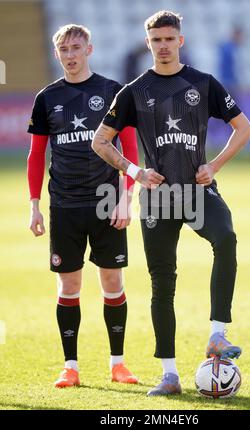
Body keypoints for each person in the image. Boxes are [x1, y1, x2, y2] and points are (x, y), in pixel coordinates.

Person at [91, 11, 250, 396]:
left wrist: (213, 165)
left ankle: (217, 335)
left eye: (169, 39)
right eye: (155, 40)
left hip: (197, 191)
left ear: (180, 41)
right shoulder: (133, 91)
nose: (162, 45)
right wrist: (135, 172)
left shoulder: (202, 83)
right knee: (162, 284)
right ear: (147, 43)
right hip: (158, 197)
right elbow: (100, 141)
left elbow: (243, 128)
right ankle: (169, 375)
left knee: (226, 238)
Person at [27, 24, 139, 388]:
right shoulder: (47, 98)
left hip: (107, 201)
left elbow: (130, 149)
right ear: (56, 53)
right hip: (64, 204)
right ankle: (70, 367)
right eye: (63, 49)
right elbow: (36, 154)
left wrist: (127, 196)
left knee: (112, 280)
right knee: (68, 286)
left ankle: (118, 364)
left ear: (89, 49)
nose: (70, 54)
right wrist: (34, 205)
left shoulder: (111, 92)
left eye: (76, 47)